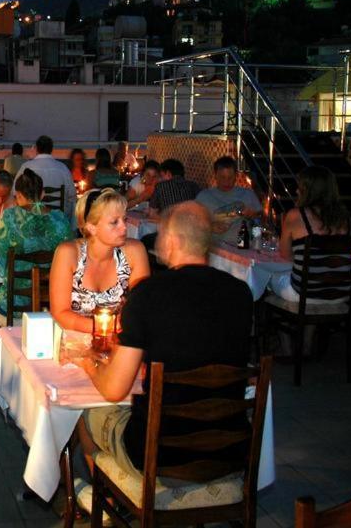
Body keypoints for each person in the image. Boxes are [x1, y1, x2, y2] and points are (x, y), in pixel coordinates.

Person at [71, 202, 252, 490]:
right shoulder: (241, 294)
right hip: (229, 449)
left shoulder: (148, 296)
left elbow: (114, 389)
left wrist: (88, 363)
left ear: (171, 241)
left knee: (86, 412)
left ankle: (102, 499)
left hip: (161, 454)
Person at [49, 189, 150, 333]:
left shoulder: (134, 251)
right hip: (74, 341)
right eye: (114, 222)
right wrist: (106, 328)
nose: (124, 227)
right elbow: (60, 313)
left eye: (124, 219)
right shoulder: (69, 253)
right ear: (91, 227)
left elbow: (142, 306)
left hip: (117, 341)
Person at [0, 169, 74, 318]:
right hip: (53, 304)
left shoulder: (10, 217)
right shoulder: (59, 219)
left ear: (18, 195)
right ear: (42, 194)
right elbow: (72, 256)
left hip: (17, 306)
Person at [271, 165, 351, 303]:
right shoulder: (345, 218)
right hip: (341, 294)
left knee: (270, 277)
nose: (296, 190)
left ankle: (284, 322)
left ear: (308, 190)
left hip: (306, 295)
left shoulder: (295, 216)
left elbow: (285, 254)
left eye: (300, 187)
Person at [196, 156, 262, 243]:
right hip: (214, 248)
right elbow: (192, 223)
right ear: (215, 175)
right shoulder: (204, 196)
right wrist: (210, 227)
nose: (226, 182)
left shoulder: (247, 194)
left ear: (236, 176)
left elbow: (261, 219)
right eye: (222, 177)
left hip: (242, 246)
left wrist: (253, 215)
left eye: (230, 178)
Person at [15, 135, 77, 217]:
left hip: (30, 218)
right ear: (51, 149)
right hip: (57, 219)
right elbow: (72, 196)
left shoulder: (26, 167)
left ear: (36, 149)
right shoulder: (62, 168)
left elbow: (15, 192)